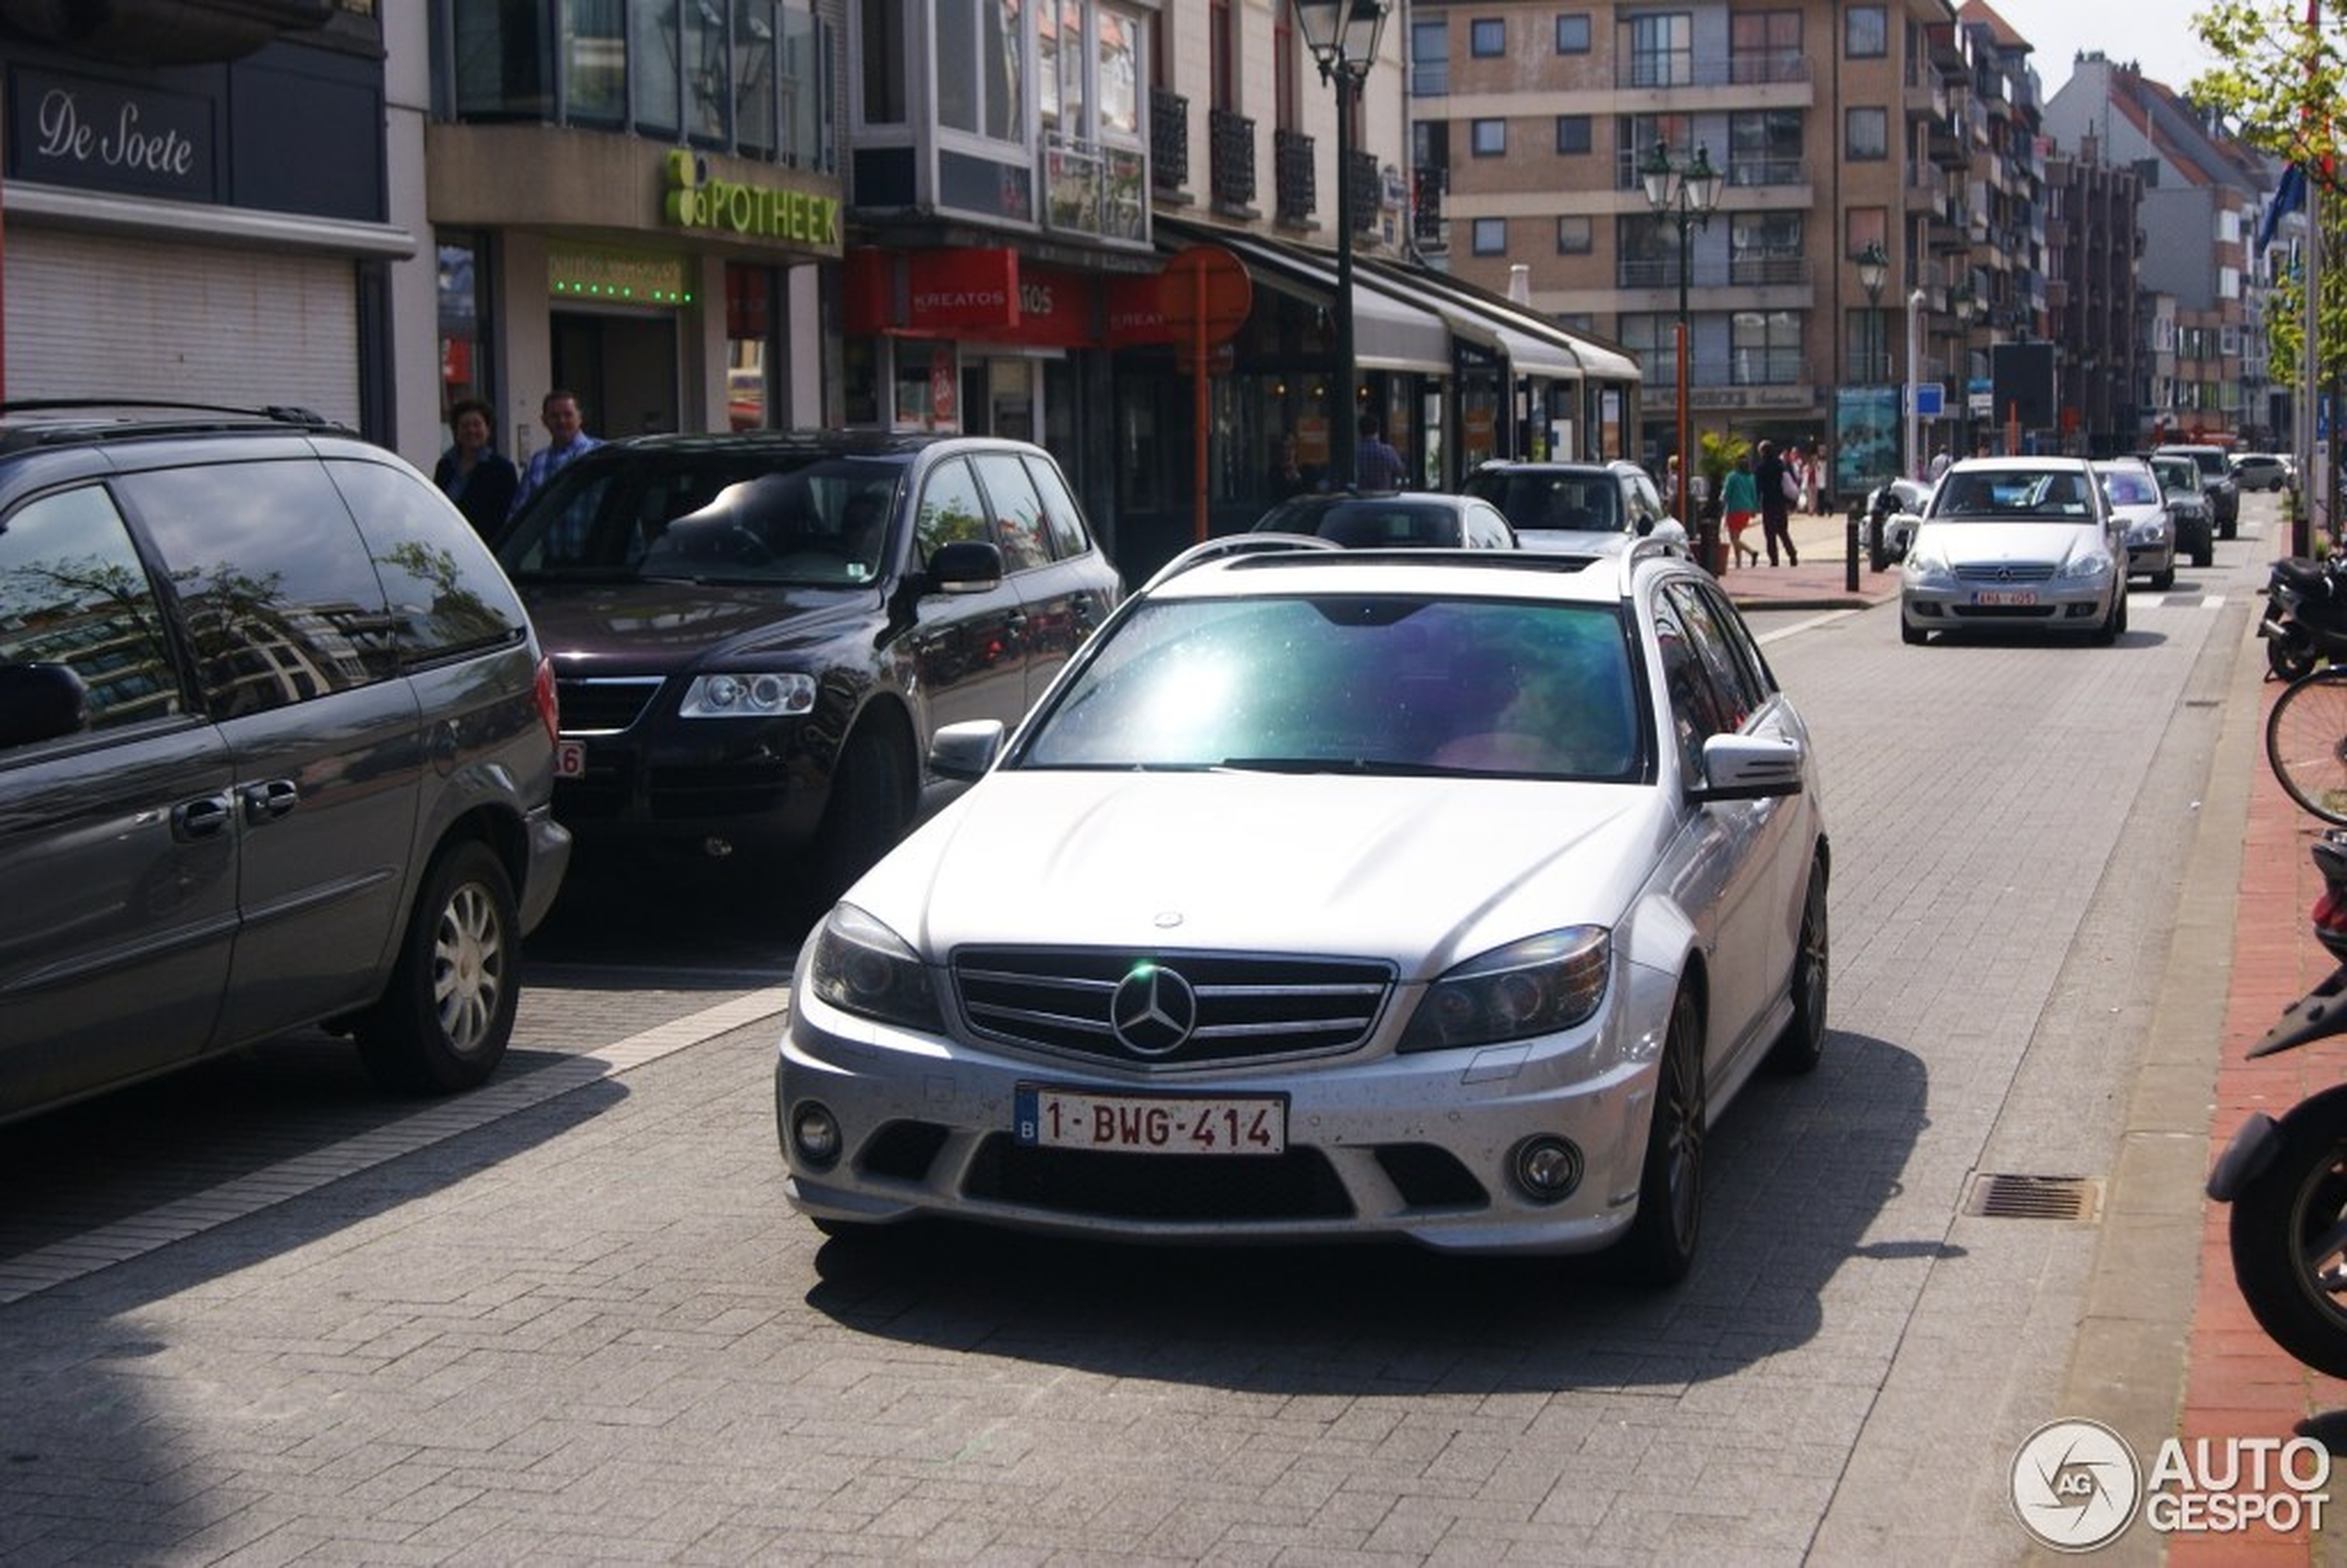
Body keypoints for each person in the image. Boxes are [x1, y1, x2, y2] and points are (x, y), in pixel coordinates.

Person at [508, 390, 602, 519]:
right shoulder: (536, 463)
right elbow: (519, 514)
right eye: (554, 416)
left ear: (580, 417)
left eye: (568, 415)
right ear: (544, 421)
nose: (562, 421)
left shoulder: (600, 454)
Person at [432, 397, 517, 539]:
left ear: (488, 429)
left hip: (484, 548)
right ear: (456, 431)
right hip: (448, 545)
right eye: (465, 425)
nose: (471, 430)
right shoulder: (445, 466)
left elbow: (507, 518)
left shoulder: (503, 470)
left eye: (477, 424)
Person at [1754, 438, 1797, 566]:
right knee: (1782, 531)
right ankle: (1792, 554)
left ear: (1762, 452)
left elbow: (1758, 487)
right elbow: (1788, 482)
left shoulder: (1761, 467)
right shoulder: (1780, 465)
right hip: (1780, 502)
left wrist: (1755, 503)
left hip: (1768, 502)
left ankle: (1774, 559)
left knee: (1770, 533)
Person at [1721, 452, 1761, 568]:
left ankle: (1751, 552)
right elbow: (1754, 494)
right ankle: (1738, 563)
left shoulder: (1732, 476)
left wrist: (1722, 501)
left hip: (1734, 509)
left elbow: (1726, 493)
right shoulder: (1751, 477)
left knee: (1734, 539)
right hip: (1746, 510)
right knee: (1737, 537)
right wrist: (1754, 508)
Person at [1356, 413, 1407, 492]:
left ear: (1360, 432)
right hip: (1384, 497)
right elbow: (1401, 472)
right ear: (1377, 431)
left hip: (1361, 499)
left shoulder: (1356, 452)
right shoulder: (1387, 451)